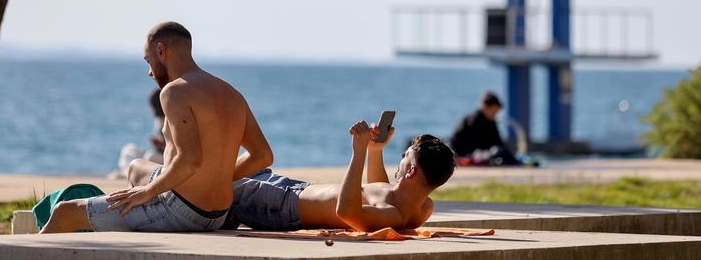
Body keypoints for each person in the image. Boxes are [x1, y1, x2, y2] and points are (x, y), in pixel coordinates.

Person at [40, 21, 273, 233]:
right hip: (218, 214)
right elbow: (262, 155)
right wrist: (215, 179)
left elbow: (190, 159)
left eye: (148, 60)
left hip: (182, 212)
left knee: (64, 212)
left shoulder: (174, 92)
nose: (150, 72)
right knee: (135, 166)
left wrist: (148, 192)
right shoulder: (232, 94)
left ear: (161, 51)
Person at [222, 120, 456, 232]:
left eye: (405, 156)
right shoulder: (419, 204)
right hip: (291, 189)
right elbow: (379, 188)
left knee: (214, 183)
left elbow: (347, 212)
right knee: (226, 169)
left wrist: (358, 152)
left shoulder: (393, 215)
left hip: (281, 207)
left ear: (412, 171)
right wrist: (375, 151)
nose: (401, 159)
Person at [449, 91, 520, 166]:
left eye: (496, 112)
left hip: (476, 153)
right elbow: (471, 144)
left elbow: (498, 143)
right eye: (493, 112)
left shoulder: (491, 121)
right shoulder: (473, 120)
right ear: (485, 107)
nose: (495, 115)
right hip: (462, 153)